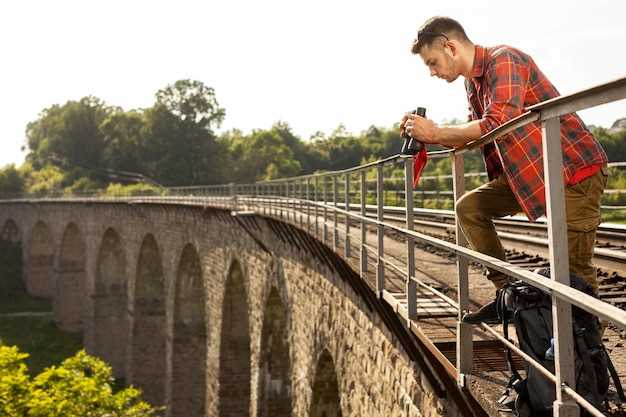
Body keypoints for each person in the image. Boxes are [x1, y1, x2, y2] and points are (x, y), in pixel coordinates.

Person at [401, 16, 608, 324]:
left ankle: (588, 356)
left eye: (432, 62)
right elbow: (480, 135)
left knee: (574, 277)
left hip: (572, 173)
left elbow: (496, 123)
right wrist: (423, 135)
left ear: (450, 47)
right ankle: (508, 295)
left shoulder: (504, 59)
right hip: (528, 177)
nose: (432, 72)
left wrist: (436, 133)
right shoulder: (473, 83)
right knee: (470, 208)